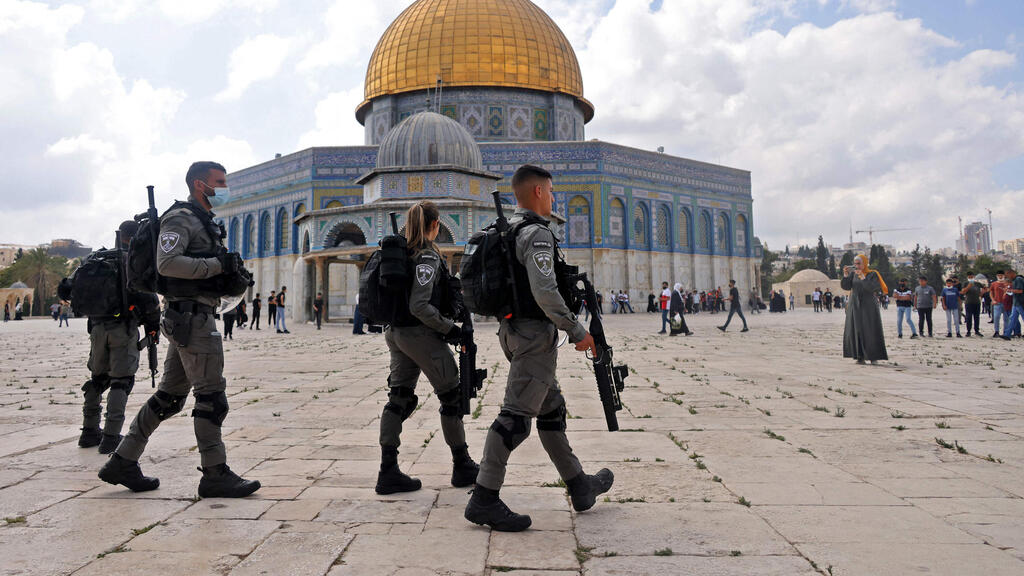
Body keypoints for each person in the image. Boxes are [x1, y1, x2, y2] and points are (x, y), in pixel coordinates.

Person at [465, 165, 612, 532]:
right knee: (515, 419)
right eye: (550, 190)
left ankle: (580, 485)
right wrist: (579, 331)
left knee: (551, 410)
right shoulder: (537, 235)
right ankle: (484, 497)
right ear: (537, 192)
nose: (553, 197)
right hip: (534, 338)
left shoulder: (508, 230)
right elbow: (545, 291)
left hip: (513, 331)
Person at [100, 160, 260, 498]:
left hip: (190, 318)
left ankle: (123, 460)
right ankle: (215, 473)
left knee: (170, 398)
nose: (224, 189)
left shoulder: (204, 221)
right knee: (211, 397)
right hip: (193, 319)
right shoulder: (181, 218)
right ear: (200, 185)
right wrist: (217, 265)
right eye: (219, 182)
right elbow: (167, 263)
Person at [376, 200, 479, 495]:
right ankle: (462, 465)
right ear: (435, 225)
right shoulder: (426, 257)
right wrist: (452, 331)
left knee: (399, 398)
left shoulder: (400, 252)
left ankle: (388, 471)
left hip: (396, 332)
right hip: (419, 335)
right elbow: (419, 305)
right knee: (451, 396)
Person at [76, 222, 162, 455]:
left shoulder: (97, 259)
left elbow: (70, 290)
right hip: (123, 329)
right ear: (134, 238)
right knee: (121, 381)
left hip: (96, 328)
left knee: (97, 378)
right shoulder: (131, 261)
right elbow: (148, 300)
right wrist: (153, 327)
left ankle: (89, 431)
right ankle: (111, 436)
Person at [841, 254, 887, 364]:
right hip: (855, 304)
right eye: (855, 264)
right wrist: (846, 275)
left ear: (864, 263)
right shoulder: (853, 275)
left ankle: (873, 356)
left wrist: (863, 278)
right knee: (856, 329)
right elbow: (846, 287)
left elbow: (872, 288)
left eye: (859, 263)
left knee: (869, 329)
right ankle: (859, 355)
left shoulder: (872, 274)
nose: (856, 266)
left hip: (868, 305)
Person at [1000, 269, 1023, 341]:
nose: (1008, 277)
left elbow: (1020, 290)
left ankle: (1008, 334)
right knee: (1012, 319)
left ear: (1011, 273)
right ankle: (1007, 334)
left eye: (1008, 275)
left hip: (1020, 303)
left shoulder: (1018, 279)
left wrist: (1010, 290)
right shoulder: (1014, 280)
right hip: (1016, 303)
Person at [960, 272, 985, 337]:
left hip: (977, 302)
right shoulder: (965, 283)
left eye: (972, 277)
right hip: (968, 302)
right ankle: (968, 331)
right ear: (967, 277)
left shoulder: (977, 284)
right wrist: (968, 287)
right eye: (969, 277)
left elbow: (985, 288)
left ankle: (977, 331)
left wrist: (981, 294)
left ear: (974, 277)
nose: (971, 278)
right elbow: (963, 292)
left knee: (977, 317)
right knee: (969, 317)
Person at [989, 271, 1008, 337]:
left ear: (1004, 276)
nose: (1000, 277)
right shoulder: (994, 284)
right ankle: (996, 331)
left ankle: (1006, 331)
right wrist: (993, 300)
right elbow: (991, 292)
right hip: (997, 303)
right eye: (999, 275)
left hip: (1006, 303)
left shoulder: (1007, 283)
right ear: (997, 276)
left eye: (1001, 275)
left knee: (1006, 318)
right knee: (996, 317)